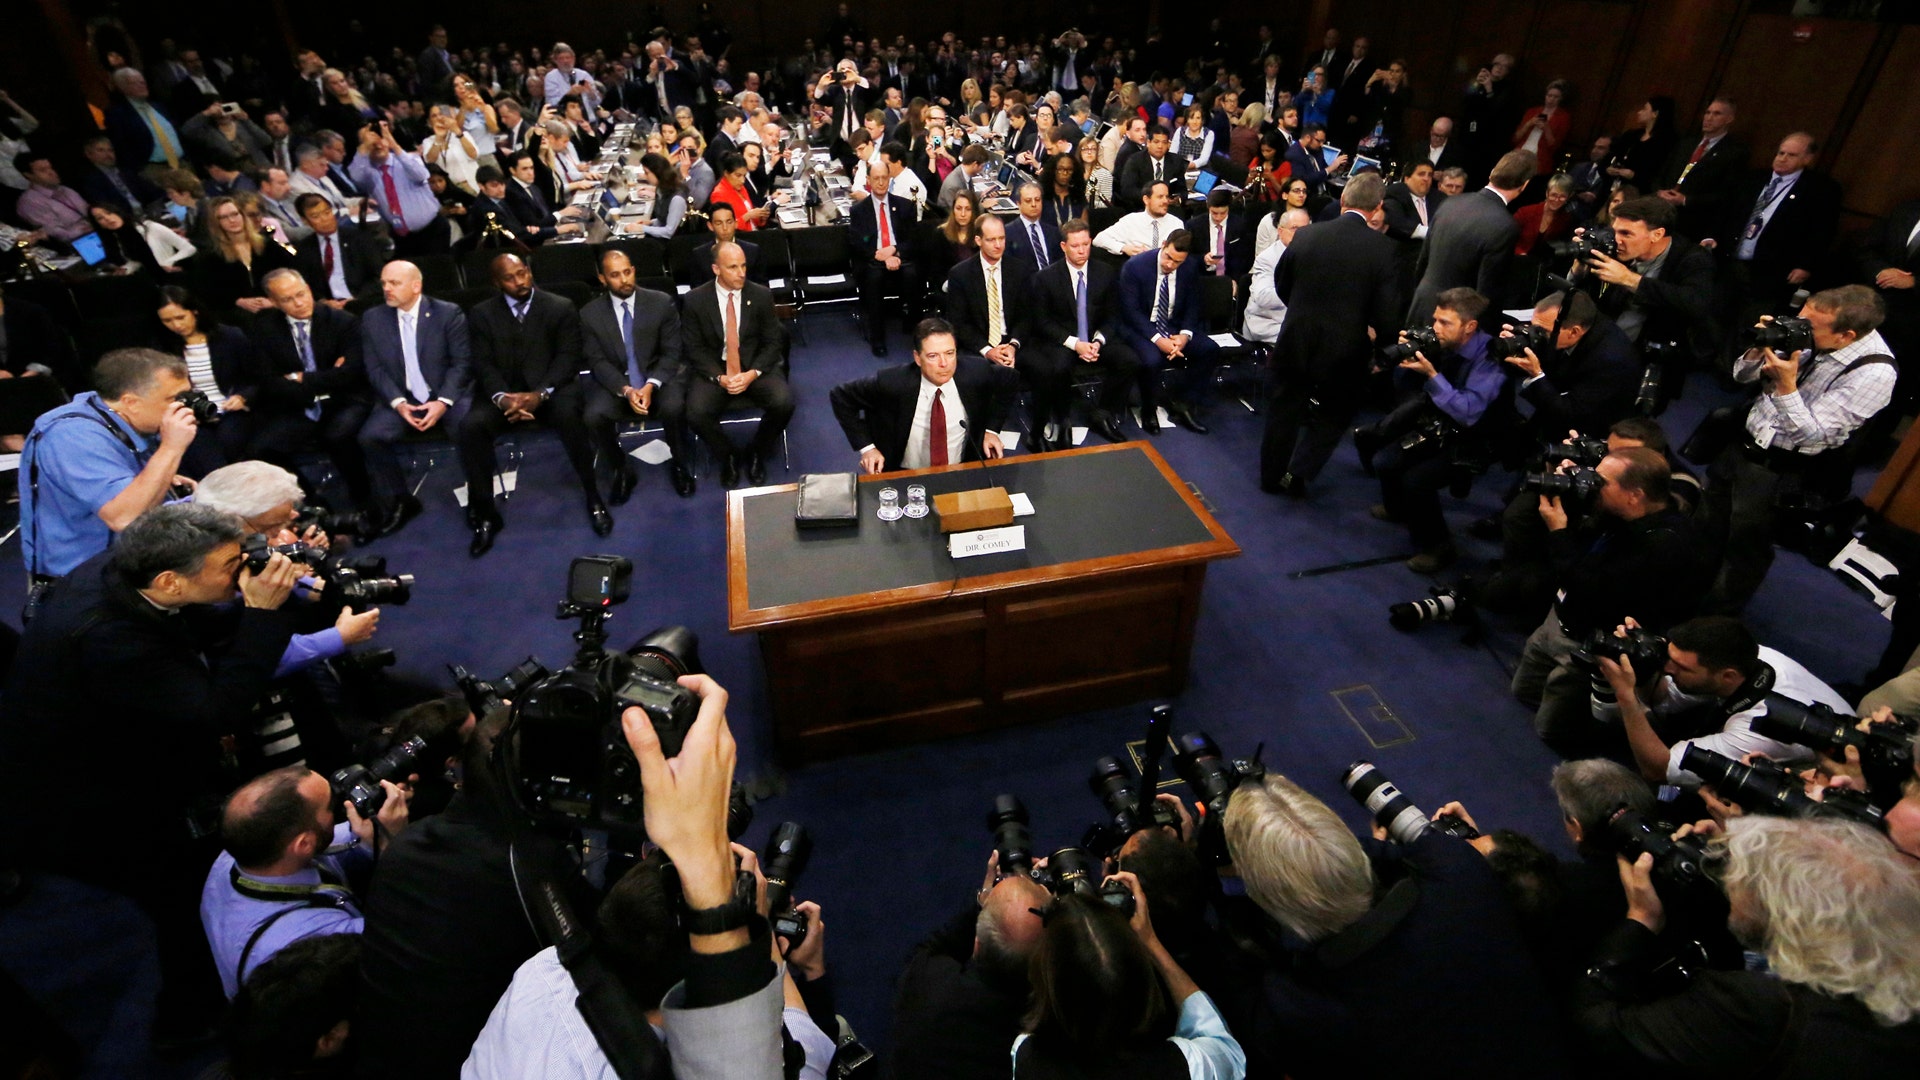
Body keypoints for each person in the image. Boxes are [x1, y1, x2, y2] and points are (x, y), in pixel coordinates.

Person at [0, 503, 300, 1040]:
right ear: (169, 579)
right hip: (91, 802)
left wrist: (241, 598)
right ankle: (187, 1019)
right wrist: (265, 614)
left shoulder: (121, 572)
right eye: (232, 565)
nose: (245, 570)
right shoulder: (109, 638)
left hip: (103, 753)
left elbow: (187, 620)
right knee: (183, 898)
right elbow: (215, 711)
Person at [1216, 773, 1571, 1078]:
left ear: (1274, 902)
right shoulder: (1460, 870)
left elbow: (1238, 958)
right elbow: (1390, 854)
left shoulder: (1298, 1008)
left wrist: (1217, 880)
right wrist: (1322, 850)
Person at [1576, 816, 1920, 1075]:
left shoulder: (1756, 1008)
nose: (1727, 876)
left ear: (1779, 908)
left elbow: (1596, 1026)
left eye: (1737, 872)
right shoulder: (1892, 956)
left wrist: (1640, 919)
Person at [1503, 447, 1713, 748]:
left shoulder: (1665, 545)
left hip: (1590, 640)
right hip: (1559, 618)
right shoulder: (1619, 511)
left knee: (1551, 730)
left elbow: (1590, 589)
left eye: (1601, 481)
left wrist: (1558, 532)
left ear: (1634, 495)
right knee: (1524, 690)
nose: (1591, 484)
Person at [1704, 286, 1895, 612]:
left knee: (1743, 551)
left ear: (1845, 336)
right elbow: (1740, 375)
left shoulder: (1875, 373)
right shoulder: (1809, 331)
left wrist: (1787, 384)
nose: (1800, 330)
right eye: (1801, 320)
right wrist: (1760, 346)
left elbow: (1812, 436)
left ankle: (1713, 620)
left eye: (1810, 328)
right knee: (1706, 527)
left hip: (1780, 472)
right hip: (1741, 446)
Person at [200, 764, 408, 997]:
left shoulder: (237, 855)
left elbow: (343, 841)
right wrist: (395, 845)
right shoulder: (307, 941)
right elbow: (404, 937)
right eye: (332, 805)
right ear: (304, 844)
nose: (341, 803)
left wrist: (378, 827)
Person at [1012, 878, 1245, 1078]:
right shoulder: (1183, 1065)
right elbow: (1229, 1056)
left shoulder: (1027, 1057)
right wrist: (1151, 942)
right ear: (1142, 983)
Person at [1261, 172, 1401, 496]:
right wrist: (1381, 346)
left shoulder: (1307, 235)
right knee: (1335, 412)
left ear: (1343, 200)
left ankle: (1270, 479)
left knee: (1284, 410)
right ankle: (1299, 473)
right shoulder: (1384, 249)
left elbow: (1283, 285)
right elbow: (1387, 312)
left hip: (1296, 338)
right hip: (1346, 348)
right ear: (1377, 207)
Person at [460, 252, 605, 554]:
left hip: (551, 390)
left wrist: (540, 394)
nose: (519, 281)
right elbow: (482, 364)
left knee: (571, 415)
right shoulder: (481, 314)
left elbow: (568, 358)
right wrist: (502, 398)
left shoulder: (559, 306)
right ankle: (485, 514)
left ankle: (593, 496)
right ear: (497, 283)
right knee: (471, 427)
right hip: (506, 395)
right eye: (510, 278)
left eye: (522, 273)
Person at [1594, 615, 1844, 786]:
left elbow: (1659, 769)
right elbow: (1666, 701)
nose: (1668, 669)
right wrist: (1645, 664)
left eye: (1680, 666)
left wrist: (1625, 695)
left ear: (1727, 677)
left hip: (1823, 780)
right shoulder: (1749, 657)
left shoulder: (1763, 727)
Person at [1357, 287, 1507, 570]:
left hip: (1477, 436)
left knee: (1417, 481)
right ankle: (1397, 508)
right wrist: (1407, 362)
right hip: (1443, 421)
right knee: (1387, 462)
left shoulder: (1490, 359)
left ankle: (1439, 547)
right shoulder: (1444, 344)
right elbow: (1406, 391)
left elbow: (1468, 412)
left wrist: (1431, 374)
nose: (1436, 328)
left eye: (1445, 323)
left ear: (1470, 327)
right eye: (1435, 320)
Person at [17, 348, 199, 581]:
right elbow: (123, 517)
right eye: (174, 399)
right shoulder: (72, 436)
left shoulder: (123, 417)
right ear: (130, 402)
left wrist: (161, 476)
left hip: (132, 561)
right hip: (81, 579)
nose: (184, 407)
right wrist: (171, 448)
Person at [357, 261, 471, 538]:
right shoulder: (373, 318)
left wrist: (443, 401)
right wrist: (398, 402)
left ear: (416, 286)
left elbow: (462, 364)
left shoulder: (447, 313)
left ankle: (479, 497)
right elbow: (375, 369)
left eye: (394, 283)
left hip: (444, 394)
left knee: (469, 427)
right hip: (402, 398)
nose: (386, 288)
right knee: (370, 437)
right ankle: (400, 501)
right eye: (384, 283)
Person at [831, 316, 1014, 474]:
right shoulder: (892, 382)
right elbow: (841, 396)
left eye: (950, 353)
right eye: (933, 356)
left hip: (961, 470)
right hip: (904, 474)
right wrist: (868, 449)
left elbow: (1009, 380)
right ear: (918, 358)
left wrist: (991, 430)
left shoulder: (975, 371)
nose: (944, 363)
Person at [681, 242, 792, 487]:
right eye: (733, 267)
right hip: (716, 369)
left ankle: (757, 451)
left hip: (754, 367)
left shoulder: (760, 295)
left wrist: (752, 373)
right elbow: (693, 348)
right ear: (716, 269)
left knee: (784, 402)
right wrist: (719, 378)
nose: (741, 273)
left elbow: (774, 342)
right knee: (695, 412)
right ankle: (727, 454)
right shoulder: (694, 300)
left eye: (743, 266)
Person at [1573, 195, 1718, 380]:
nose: (1616, 240)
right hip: (1600, 346)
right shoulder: (1617, 247)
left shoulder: (1694, 260)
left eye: (1626, 234)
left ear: (1657, 234)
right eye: (1615, 231)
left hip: (1650, 360)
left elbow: (1696, 304)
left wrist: (1630, 280)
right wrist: (1581, 265)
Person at [582, 249, 686, 499]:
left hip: (657, 378)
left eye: (627, 272)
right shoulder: (589, 314)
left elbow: (672, 353)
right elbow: (596, 362)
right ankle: (620, 468)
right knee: (593, 416)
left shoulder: (660, 302)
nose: (624, 279)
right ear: (602, 279)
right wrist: (626, 389)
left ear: (634, 271)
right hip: (619, 383)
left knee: (674, 406)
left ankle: (680, 463)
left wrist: (650, 385)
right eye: (615, 275)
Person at [1711, 133, 1842, 331]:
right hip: (1730, 260)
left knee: (1751, 324)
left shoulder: (1820, 189)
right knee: (1714, 317)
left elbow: (1822, 232)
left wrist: (1805, 264)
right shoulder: (1753, 179)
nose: (1782, 158)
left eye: (1791, 155)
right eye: (1781, 152)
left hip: (1771, 270)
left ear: (1807, 159)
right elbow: (1725, 212)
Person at [1027, 220, 1140, 443]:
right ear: (1063, 246)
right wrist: (1074, 343)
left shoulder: (1105, 272)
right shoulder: (1046, 278)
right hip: (1064, 340)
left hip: (1095, 337)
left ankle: (1103, 413)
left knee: (1129, 360)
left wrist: (1098, 341)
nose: (1081, 250)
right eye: (1075, 246)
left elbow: (1113, 315)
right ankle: (1063, 418)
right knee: (1058, 367)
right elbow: (1042, 322)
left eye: (1086, 244)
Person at [1407, 149, 1531, 326]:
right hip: (1455, 323)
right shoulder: (1505, 225)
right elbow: (1487, 291)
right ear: (1525, 185)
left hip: (1422, 306)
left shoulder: (1451, 203)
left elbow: (1422, 262)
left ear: (1492, 174)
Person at [1500, 289, 1642, 441]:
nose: (1537, 335)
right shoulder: (1572, 324)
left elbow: (1569, 413)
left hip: (1588, 429)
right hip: (1561, 393)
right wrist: (1519, 344)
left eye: (1542, 331)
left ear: (1574, 332)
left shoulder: (1611, 362)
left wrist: (1536, 374)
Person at [1118, 229, 1218, 435]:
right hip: (1141, 328)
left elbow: (1193, 304)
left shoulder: (1189, 267)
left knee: (1209, 349)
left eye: (1177, 262)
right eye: (1168, 257)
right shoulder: (1135, 267)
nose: (1170, 265)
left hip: (1173, 326)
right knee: (1152, 359)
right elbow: (1130, 312)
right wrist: (1157, 339)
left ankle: (1183, 404)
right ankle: (1148, 410)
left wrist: (1185, 335)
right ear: (1163, 244)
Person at [154, 287, 259, 473]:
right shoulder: (163, 348)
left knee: (228, 439)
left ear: (194, 312)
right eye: (167, 321)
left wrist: (243, 397)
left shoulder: (229, 337)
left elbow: (257, 377)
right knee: (197, 445)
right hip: (191, 415)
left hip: (230, 409)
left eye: (180, 317)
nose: (176, 325)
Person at [849, 169, 920, 357]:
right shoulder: (859, 210)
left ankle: (913, 325)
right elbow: (858, 243)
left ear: (890, 179)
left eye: (884, 178)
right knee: (874, 278)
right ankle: (877, 337)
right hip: (873, 258)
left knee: (913, 274)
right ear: (868, 181)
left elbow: (913, 240)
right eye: (876, 178)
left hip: (899, 255)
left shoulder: (905, 206)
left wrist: (895, 250)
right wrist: (881, 255)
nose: (881, 182)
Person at [349, 121, 449, 256]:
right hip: (402, 237)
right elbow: (356, 177)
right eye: (370, 140)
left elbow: (421, 174)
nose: (377, 144)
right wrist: (364, 147)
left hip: (433, 229)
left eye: (381, 138)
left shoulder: (408, 158)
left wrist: (394, 145)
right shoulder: (367, 172)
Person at [1655, 96, 1747, 241]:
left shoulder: (1733, 152)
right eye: (1707, 112)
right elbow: (1662, 172)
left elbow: (1727, 194)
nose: (1709, 118)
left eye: (1717, 114)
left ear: (1729, 119)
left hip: (1692, 221)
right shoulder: (1686, 143)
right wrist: (1659, 191)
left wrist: (1686, 200)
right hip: (1661, 212)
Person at [291, 195, 381, 305]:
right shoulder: (304, 248)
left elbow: (378, 276)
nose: (325, 219)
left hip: (361, 300)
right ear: (305, 221)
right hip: (330, 307)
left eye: (327, 212)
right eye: (315, 216)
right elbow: (306, 284)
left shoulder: (358, 238)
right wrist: (323, 302)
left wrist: (356, 299)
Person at [14, 152, 97, 243]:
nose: (51, 173)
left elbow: (89, 211)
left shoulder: (65, 190)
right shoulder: (30, 202)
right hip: (76, 243)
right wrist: (85, 229)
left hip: (96, 232)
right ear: (28, 175)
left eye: (51, 168)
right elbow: (56, 234)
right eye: (43, 170)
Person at [1094, 179, 1181, 257]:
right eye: (1160, 197)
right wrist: (1125, 248)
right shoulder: (1131, 221)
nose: (1166, 201)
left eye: (1167, 197)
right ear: (1146, 200)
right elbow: (1099, 239)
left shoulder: (1176, 224)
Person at [1186, 187, 1252, 287]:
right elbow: (1187, 256)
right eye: (1214, 213)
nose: (1218, 217)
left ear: (1229, 208)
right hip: (1202, 277)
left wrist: (1235, 280)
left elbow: (1246, 257)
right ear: (1208, 208)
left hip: (1230, 276)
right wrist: (1203, 259)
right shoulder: (1194, 226)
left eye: (1223, 213)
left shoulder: (1240, 225)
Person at [1117, 125, 1184, 212]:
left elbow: (1183, 190)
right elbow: (1128, 190)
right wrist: (1153, 198)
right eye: (1156, 142)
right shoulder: (1135, 160)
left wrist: (1178, 199)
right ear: (1148, 143)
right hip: (1142, 207)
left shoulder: (1176, 161)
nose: (1160, 146)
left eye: (1164, 142)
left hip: (1169, 208)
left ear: (1168, 144)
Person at [1005, 182, 1064, 280]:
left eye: (1037, 200)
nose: (1034, 204)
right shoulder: (1008, 232)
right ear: (1018, 204)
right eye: (1028, 201)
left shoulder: (1053, 232)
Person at [1513, 174, 1575, 256]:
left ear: (1568, 197)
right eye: (1554, 195)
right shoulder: (1525, 212)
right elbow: (1508, 238)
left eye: (1562, 196)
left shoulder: (1565, 219)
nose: (1557, 200)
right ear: (1547, 193)